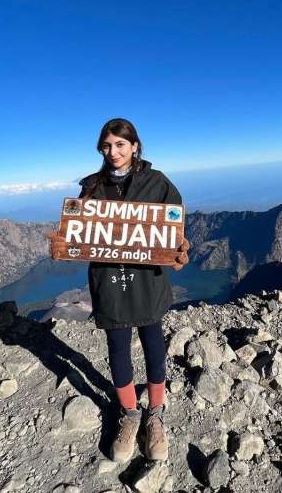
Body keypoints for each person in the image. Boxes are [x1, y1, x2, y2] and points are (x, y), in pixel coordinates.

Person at [47, 118, 189, 464]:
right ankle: (130, 414)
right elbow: (81, 233)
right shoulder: (92, 187)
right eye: (107, 146)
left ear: (135, 146)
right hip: (109, 281)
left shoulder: (157, 183)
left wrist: (180, 248)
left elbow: (175, 226)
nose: (114, 152)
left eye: (121, 145)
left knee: (154, 342)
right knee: (118, 347)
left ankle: (155, 413)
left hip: (148, 280)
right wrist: (65, 243)